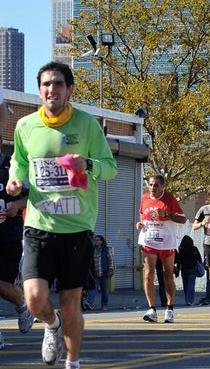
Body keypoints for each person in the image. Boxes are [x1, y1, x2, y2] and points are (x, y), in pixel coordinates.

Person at [8, 61, 117, 367]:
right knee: (33, 298)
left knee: (71, 306)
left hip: (77, 227)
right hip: (38, 225)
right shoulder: (25, 126)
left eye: (57, 84)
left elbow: (110, 167)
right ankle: (51, 324)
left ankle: (72, 362)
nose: (51, 89)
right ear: (39, 90)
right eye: (45, 84)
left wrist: (90, 164)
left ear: (70, 90)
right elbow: (19, 160)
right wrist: (15, 180)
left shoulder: (87, 124)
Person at [0, 90, 35, 350]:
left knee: (2, 286)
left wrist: (15, 205)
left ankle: (23, 305)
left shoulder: (10, 166)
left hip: (8, 235)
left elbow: (32, 198)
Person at [137, 174, 187, 323]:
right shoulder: (145, 198)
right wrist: (139, 224)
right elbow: (142, 216)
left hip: (166, 242)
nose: (152, 188)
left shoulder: (170, 199)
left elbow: (183, 219)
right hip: (149, 240)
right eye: (151, 184)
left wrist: (166, 214)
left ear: (163, 186)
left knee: (168, 275)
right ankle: (152, 309)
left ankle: (169, 308)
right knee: (148, 274)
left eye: (156, 185)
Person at [83, 235, 113, 311]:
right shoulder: (93, 250)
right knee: (93, 289)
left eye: (97, 240)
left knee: (105, 290)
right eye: (95, 240)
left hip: (104, 273)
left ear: (101, 241)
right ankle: (89, 304)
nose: (96, 241)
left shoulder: (106, 249)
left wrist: (111, 269)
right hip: (95, 273)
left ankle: (104, 305)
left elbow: (111, 260)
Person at [175, 235, 202, 307]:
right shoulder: (194, 249)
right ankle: (190, 300)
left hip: (184, 270)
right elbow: (199, 259)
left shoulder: (181, 249)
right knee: (191, 285)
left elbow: (179, 261)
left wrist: (177, 271)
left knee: (185, 285)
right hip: (192, 269)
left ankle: (187, 300)